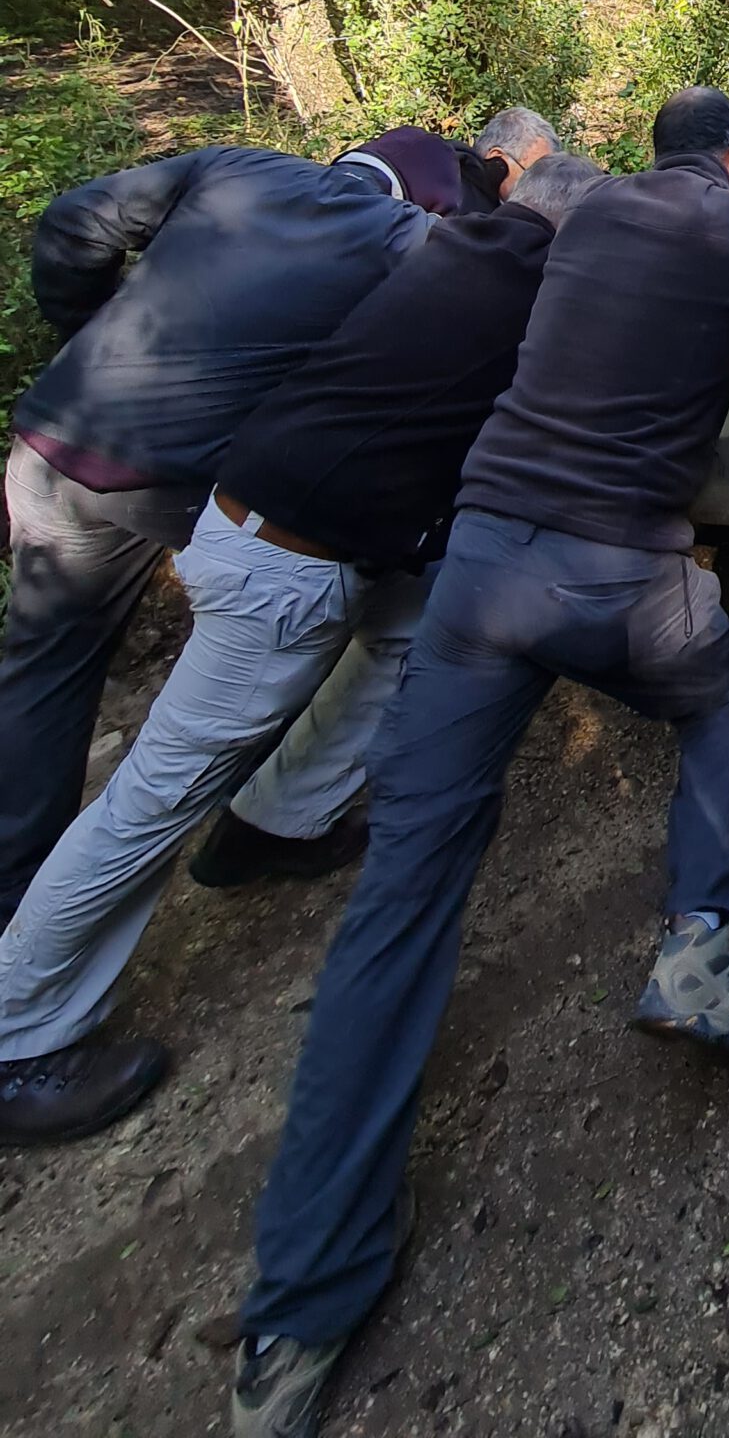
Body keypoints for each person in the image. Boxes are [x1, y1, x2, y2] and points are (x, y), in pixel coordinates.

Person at [230, 89, 729, 1438]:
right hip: (622, 572)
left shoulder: (579, 206)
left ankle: (295, 1314)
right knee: (721, 697)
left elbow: (522, 206)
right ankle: (700, 942)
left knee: (404, 897)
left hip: (480, 567)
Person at [0, 154, 603, 1146]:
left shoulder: (279, 188)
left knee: (414, 612)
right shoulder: (420, 253)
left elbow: (75, 220)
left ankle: (275, 818)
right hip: (248, 531)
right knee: (159, 785)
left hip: (113, 458)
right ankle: (20, 1028)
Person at [0, 140, 443, 932]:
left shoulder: (234, 167)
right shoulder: (397, 237)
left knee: (43, 674)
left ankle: (11, 900)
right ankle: (269, 815)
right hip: (168, 479)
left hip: (49, 445)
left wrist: (91, 333)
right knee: (347, 603)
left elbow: (72, 224)